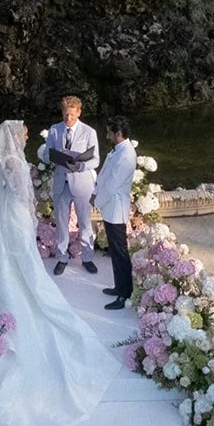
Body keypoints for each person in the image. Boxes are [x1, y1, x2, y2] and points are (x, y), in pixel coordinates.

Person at [0, 120, 120, 426]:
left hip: (13, 217)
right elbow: (23, 195)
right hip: (17, 218)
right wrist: (30, 212)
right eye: (23, 132)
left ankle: (20, 295)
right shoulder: (13, 161)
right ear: (15, 136)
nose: (25, 135)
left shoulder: (7, 160)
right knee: (24, 263)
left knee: (18, 264)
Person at [45, 94, 99, 275]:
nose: (68, 118)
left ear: (79, 113)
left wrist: (82, 165)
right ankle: (62, 257)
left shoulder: (89, 132)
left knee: (85, 222)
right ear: (62, 112)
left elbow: (96, 160)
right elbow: (46, 155)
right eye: (66, 114)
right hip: (61, 181)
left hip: (81, 183)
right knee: (61, 222)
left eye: (72, 115)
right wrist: (55, 155)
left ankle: (88, 258)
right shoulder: (54, 130)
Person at [93, 116, 137, 310]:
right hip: (110, 206)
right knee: (115, 250)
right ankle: (119, 286)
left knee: (120, 252)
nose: (107, 135)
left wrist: (97, 200)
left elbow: (113, 184)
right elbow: (104, 174)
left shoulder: (127, 154)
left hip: (116, 207)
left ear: (118, 133)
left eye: (109, 132)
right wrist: (95, 192)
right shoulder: (118, 150)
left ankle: (124, 293)